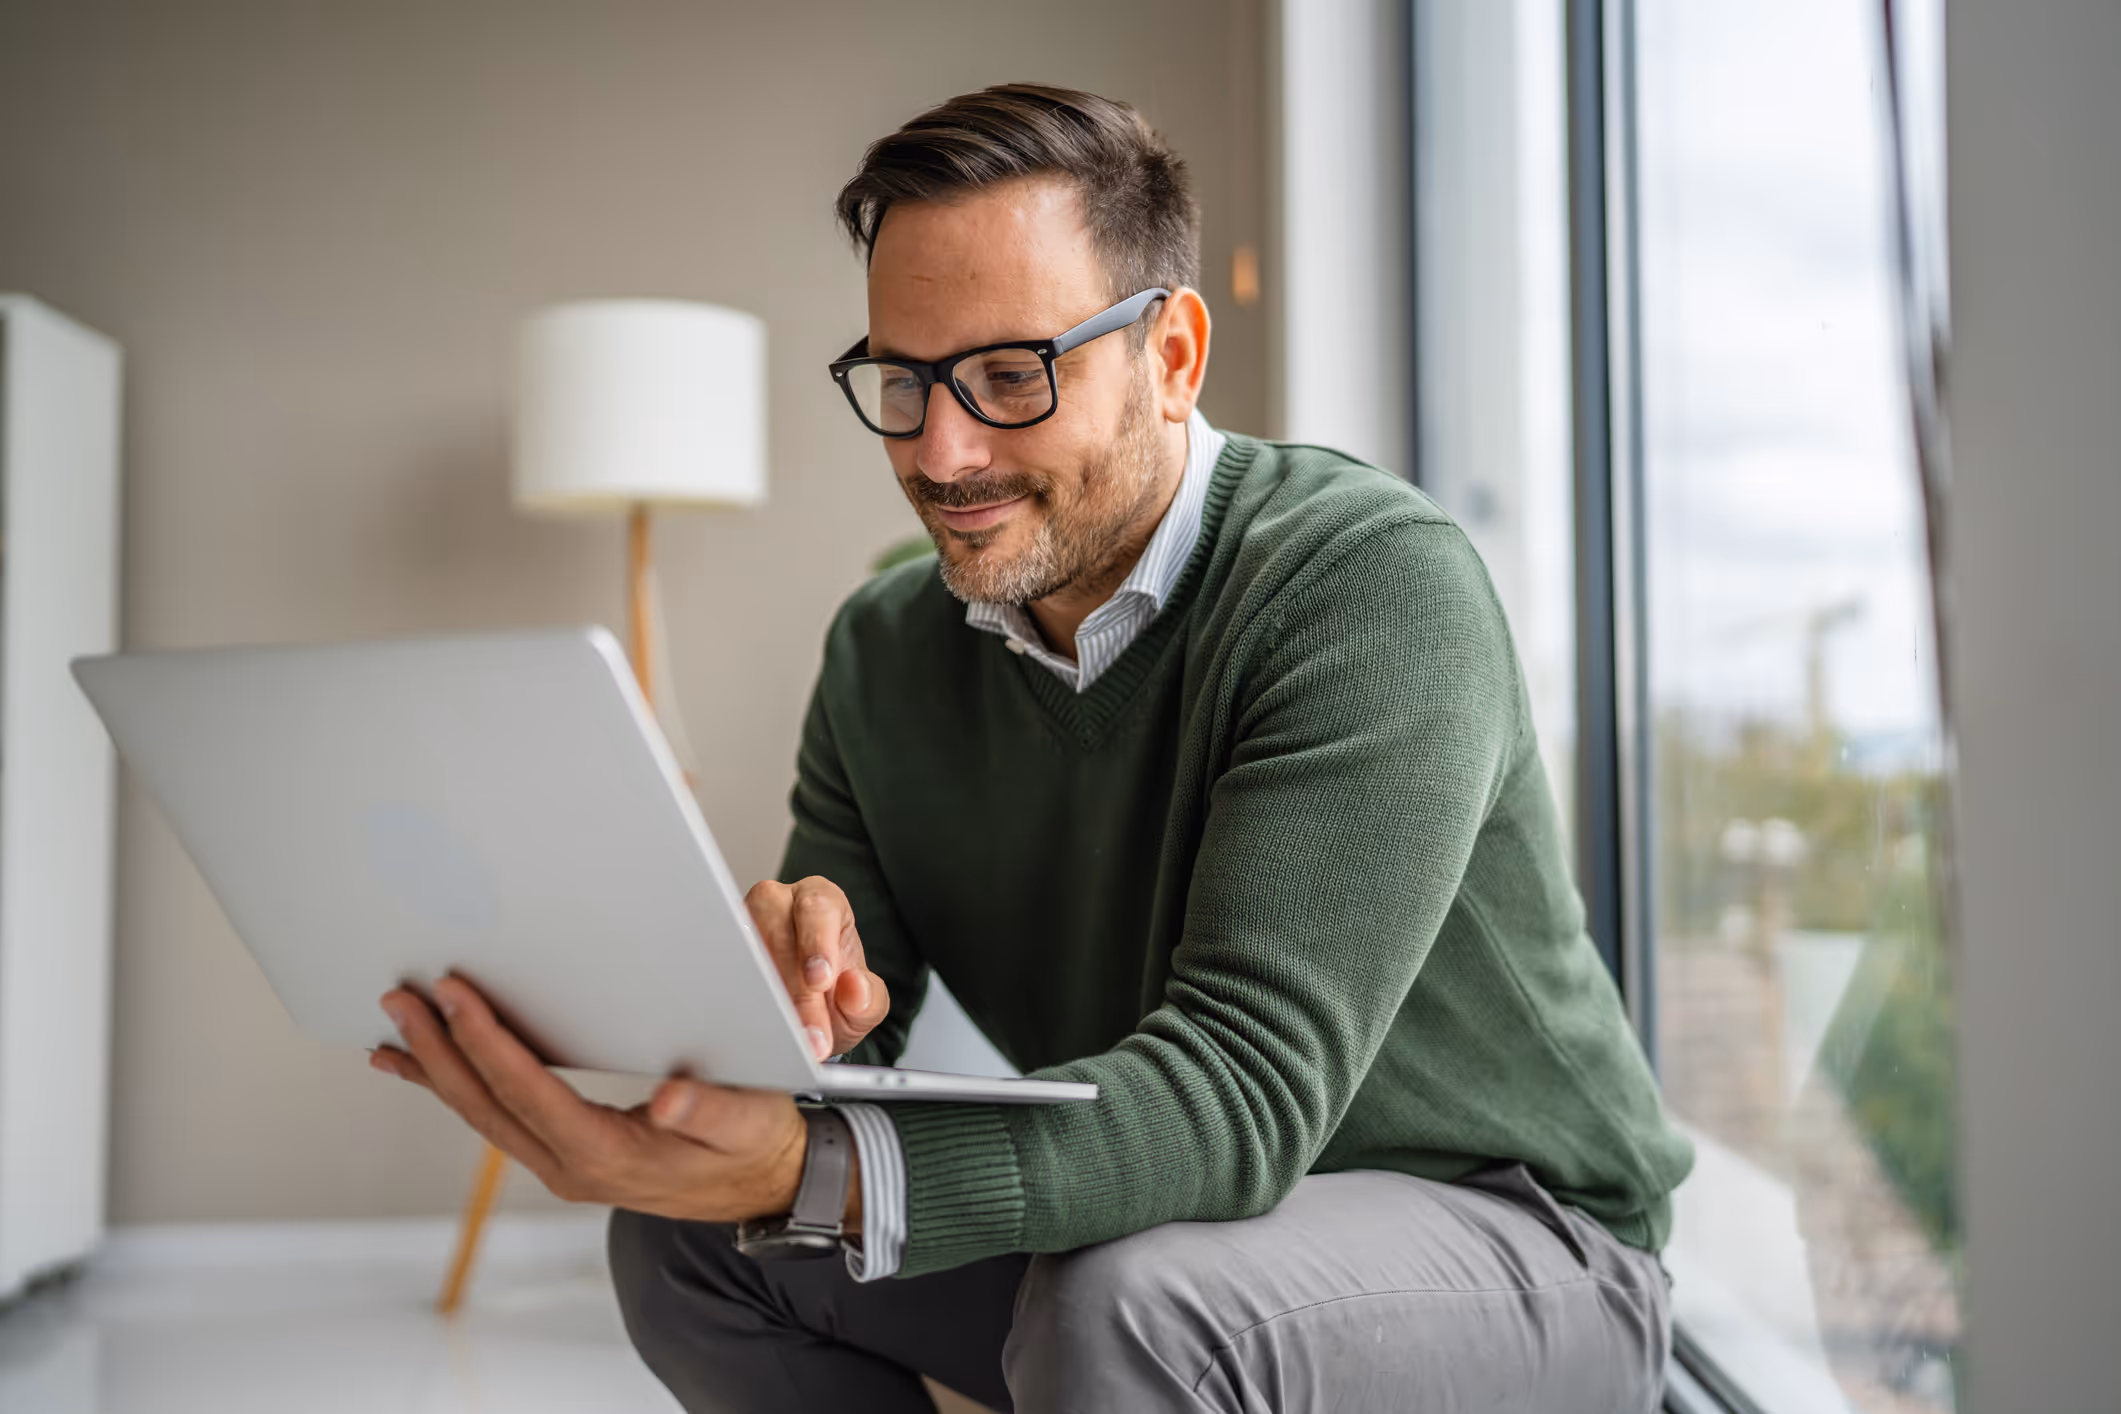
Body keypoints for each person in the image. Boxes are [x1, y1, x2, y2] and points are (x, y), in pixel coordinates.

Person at [369, 83, 1694, 1414]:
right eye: (906, 379)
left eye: (1012, 374)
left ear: (1172, 355)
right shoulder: (886, 648)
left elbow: (1238, 1093)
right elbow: (841, 1030)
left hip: (1526, 1244)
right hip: (1181, 1211)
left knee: (1130, 1308)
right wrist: (791, 988)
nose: (944, 450)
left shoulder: (1367, 587)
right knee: (685, 1242)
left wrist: (812, 1167)